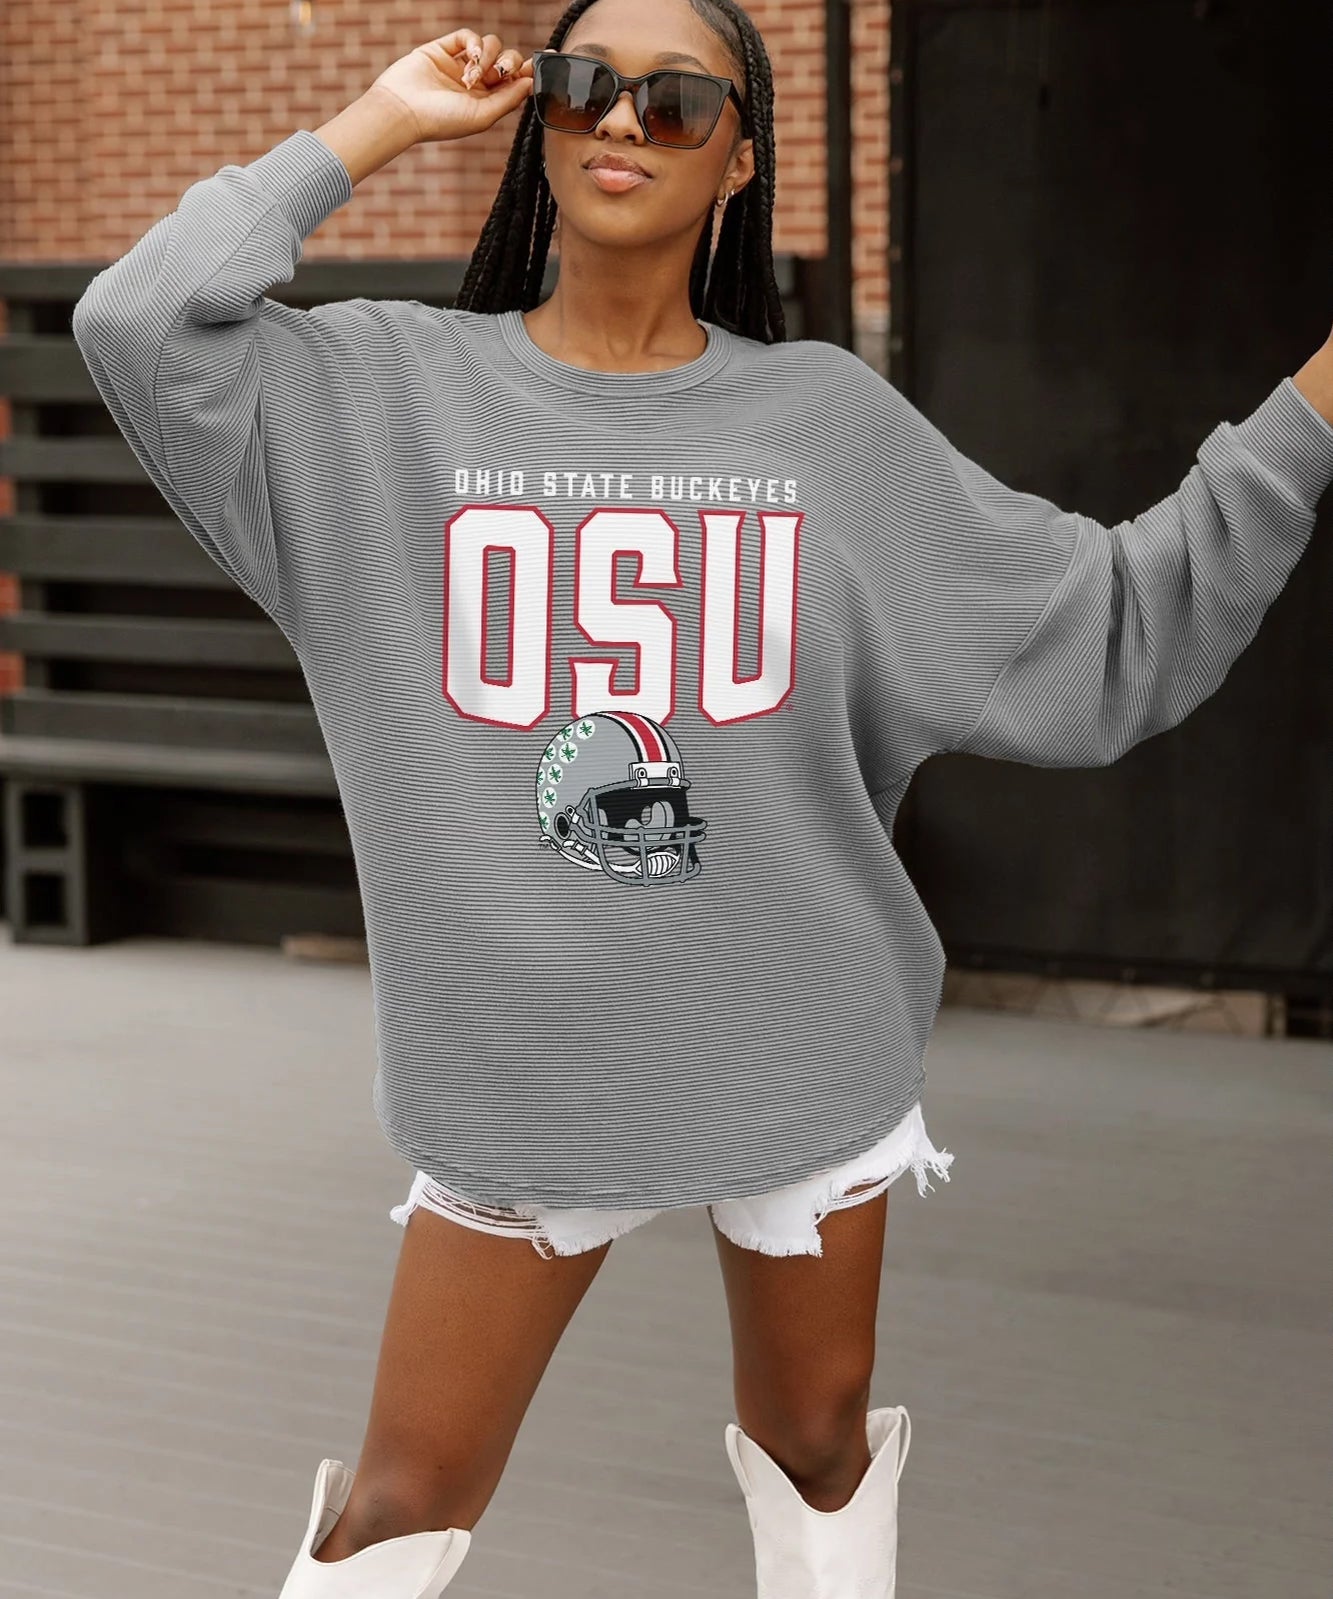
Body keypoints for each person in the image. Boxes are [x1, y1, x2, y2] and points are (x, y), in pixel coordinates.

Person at [68, 1, 1333, 1595]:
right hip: (523, 1086)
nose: (621, 122)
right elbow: (135, 321)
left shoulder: (820, 423)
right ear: (535, 118)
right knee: (400, 1501)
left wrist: (1312, 409)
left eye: (678, 102)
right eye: (587, 86)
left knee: (818, 1451)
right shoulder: (374, 394)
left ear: (740, 159)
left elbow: (1109, 632)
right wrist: (378, 124)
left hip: (798, 1048)